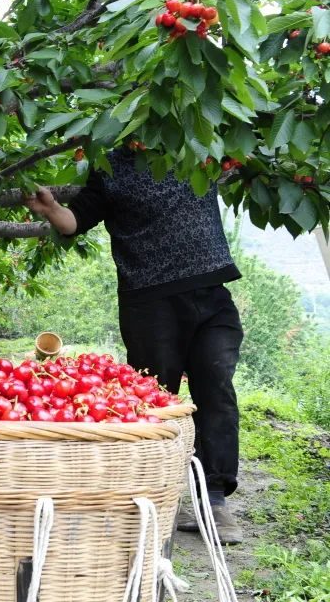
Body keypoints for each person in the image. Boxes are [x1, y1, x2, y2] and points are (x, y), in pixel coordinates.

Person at [24, 146, 244, 544]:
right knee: (156, 398)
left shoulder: (197, 143)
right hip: (150, 302)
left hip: (212, 292)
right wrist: (50, 208)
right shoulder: (110, 165)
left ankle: (213, 500)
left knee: (217, 386)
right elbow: (75, 221)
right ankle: (155, 494)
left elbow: (252, 140)